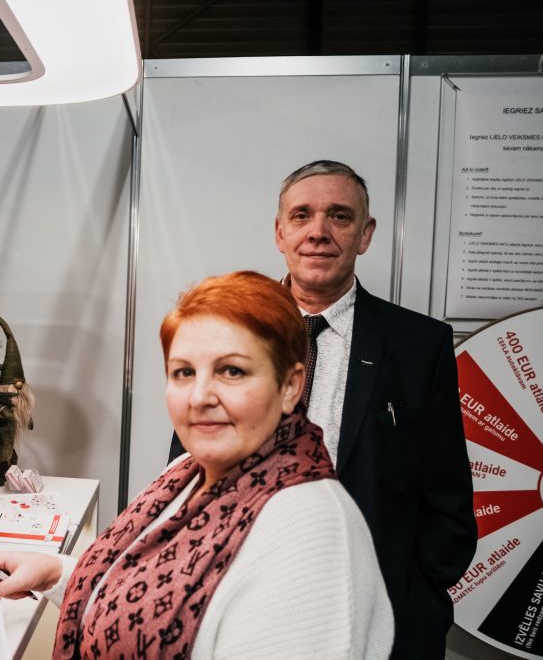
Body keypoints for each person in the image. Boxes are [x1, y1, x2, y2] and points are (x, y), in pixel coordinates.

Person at [0, 271, 394, 659]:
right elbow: (157, 599)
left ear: (289, 386)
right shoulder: (186, 473)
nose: (199, 397)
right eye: (183, 372)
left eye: (231, 371)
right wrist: (58, 573)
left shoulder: (313, 532)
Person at [170, 160, 476, 659]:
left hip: (374, 616)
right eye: (301, 216)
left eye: (339, 216)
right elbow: (186, 471)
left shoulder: (419, 346)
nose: (318, 232)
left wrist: (414, 599)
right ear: (280, 232)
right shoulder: (226, 331)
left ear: (365, 234)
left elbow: (447, 498)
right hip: (240, 602)